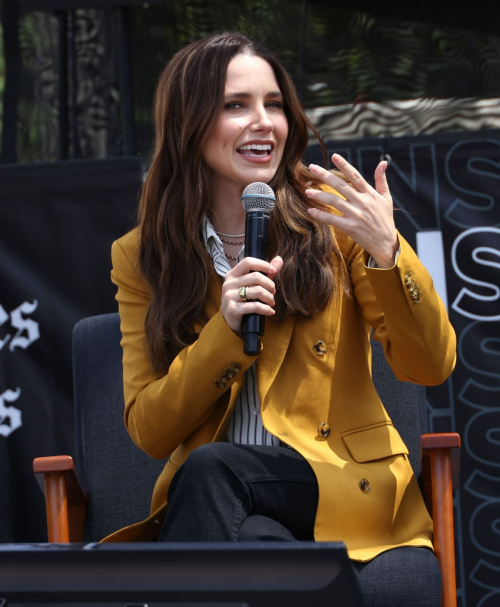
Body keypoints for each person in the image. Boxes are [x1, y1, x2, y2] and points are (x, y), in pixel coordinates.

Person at [106, 32, 456, 606]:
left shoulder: (332, 216)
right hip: (227, 508)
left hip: (336, 479)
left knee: (213, 469)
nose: (263, 122)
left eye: (274, 104)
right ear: (188, 124)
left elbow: (430, 364)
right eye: (235, 105)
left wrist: (387, 251)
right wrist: (224, 331)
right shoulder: (143, 256)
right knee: (251, 531)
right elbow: (150, 429)